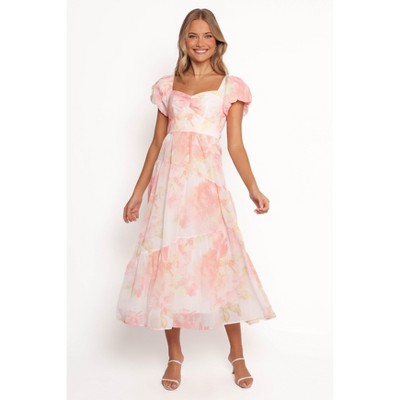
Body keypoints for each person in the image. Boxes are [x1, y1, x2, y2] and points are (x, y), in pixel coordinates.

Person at [116, 8, 276, 390]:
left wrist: (253, 187)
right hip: (170, 191)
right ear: (183, 41)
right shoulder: (167, 86)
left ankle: (237, 354)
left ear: (217, 41)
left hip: (207, 188)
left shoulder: (230, 87)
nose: (200, 42)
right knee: (169, 269)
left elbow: (235, 145)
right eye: (192, 35)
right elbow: (157, 143)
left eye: (207, 35)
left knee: (223, 265)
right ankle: (175, 355)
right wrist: (137, 193)